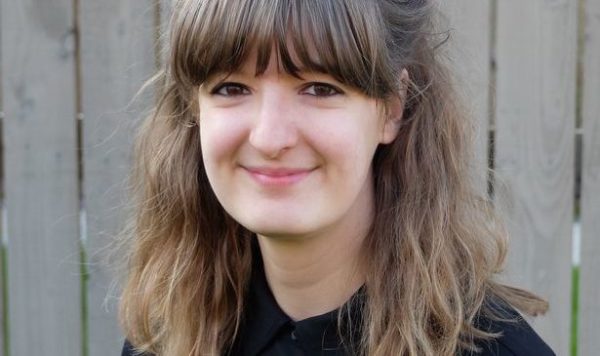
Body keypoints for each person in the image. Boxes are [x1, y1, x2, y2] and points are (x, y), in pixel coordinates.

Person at [118, 0, 555, 355]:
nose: (270, 137)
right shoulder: (166, 337)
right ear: (194, 109)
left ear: (392, 108)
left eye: (320, 88)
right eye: (232, 88)